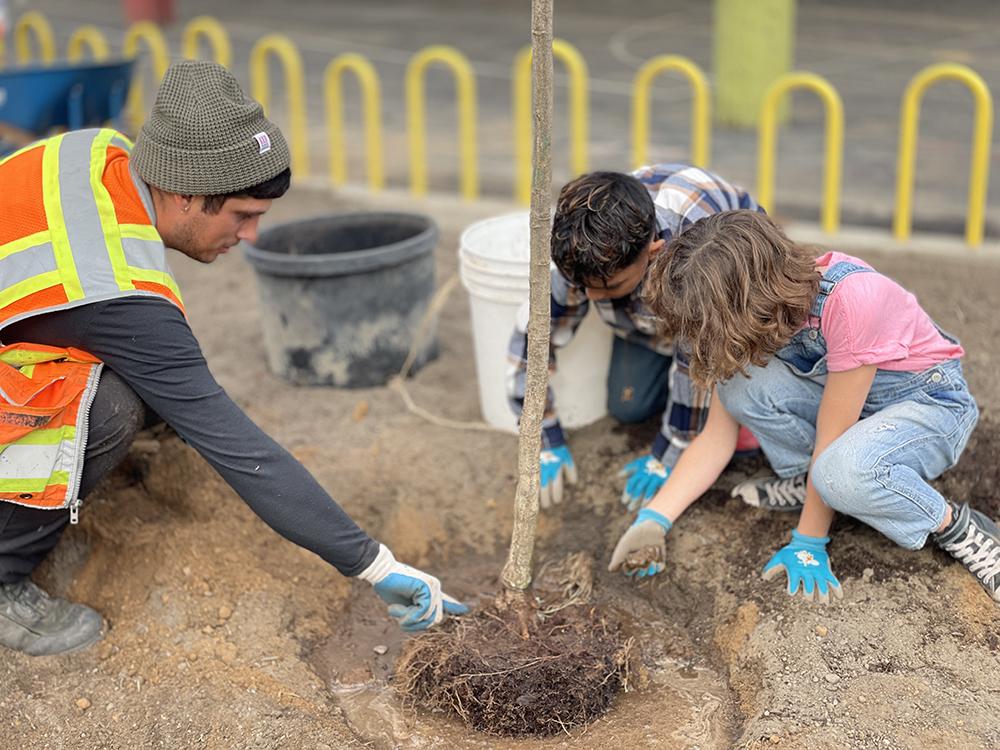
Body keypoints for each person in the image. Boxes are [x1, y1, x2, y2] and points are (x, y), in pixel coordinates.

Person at [0, 60, 468, 656]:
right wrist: (373, 565)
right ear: (185, 193)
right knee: (112, 409)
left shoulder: (100, 153)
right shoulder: (110, 285)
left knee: (132, 388)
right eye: (242, 216)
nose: (250, 237)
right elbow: (240, 449)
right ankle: (4, 578)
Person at [608, 210, 998, 607]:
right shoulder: (761, 312)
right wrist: (653, 519)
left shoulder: (852, 299)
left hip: (928, 407)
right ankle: (814, 485)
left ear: (743, 302)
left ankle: (958, 527)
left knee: (839, 472)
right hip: (853, 411)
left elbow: (833, 437)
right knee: (739, 388)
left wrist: (808, 542)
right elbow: (715, 437)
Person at [507, 165, 763, 511]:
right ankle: (659, 347)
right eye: (584, 287)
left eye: (609, 287)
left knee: (730, 390)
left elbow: (693, 360)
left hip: (729, 294)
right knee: (630, 407)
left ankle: (737, 414)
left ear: (653, 251)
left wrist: (668, 451)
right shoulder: (586, 250)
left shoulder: (695, 253)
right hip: (646, 319)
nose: (592, 298)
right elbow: (529, 345)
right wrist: (546, 438)